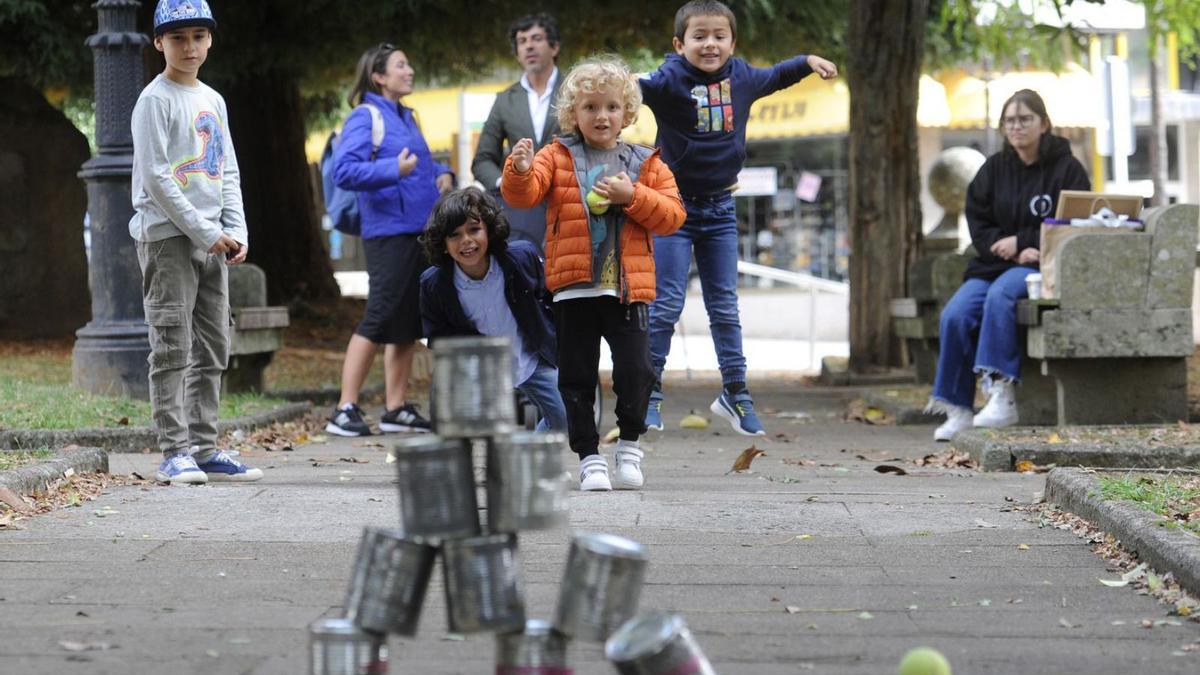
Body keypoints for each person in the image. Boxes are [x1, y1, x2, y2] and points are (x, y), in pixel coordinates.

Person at [638, 0, 838, 437]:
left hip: (722, 208)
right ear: (679, 43)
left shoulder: (743, 77)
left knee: (725, 307)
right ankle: (646, 393)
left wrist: (808, 61)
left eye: (719, 36)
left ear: (732, 42)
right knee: (667, 303)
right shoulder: (669, 80)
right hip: (673, 207)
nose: (709, 44)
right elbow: (631, 86)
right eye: (699, 36)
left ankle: (735, 391)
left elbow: (779, 74)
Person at [502, 55, 686, 492]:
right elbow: (523, 196)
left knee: (637, 372)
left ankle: (629, 447)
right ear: (573, 113)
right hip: (573, 291)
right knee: (576, 377)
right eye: (590, 107)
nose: (601, 115)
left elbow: (673, 216)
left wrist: (632, 195)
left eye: (610, 106)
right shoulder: (557, 155)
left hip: (627, 291)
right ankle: (588, 457)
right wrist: (520, 168)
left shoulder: (645, 162)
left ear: (626, 111)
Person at [131, 0, 261, 484]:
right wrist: (207, 233)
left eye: (199, 36)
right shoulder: (154, 100)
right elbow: (159, 179)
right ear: (159, 43)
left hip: (213, 240)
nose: (190, 47)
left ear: (210, 40)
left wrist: (236, 230)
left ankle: (205, 447)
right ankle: (174, 451)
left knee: (214, 346)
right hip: (168, 239)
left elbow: (226, 170)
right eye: (178, 37)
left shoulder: (214, 99)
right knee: (171, 343)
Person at [927, 89, 1090, 441]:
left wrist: (1028, 242)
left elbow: (1077, 221)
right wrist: (1012, 249)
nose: (1016, 127)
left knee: (1001, 296)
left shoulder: (1068, 169)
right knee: (955, 313)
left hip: (1042, 266)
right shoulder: (994, 169)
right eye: (1009, 121)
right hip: (994, 263)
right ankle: (958, 408)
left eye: (1025, 119)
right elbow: (979, 223)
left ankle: (1001, 391)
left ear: (1044, 124)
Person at [326, 43, 454, 437]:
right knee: (380, 315)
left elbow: (420, 162)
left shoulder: (408, 115)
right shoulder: (366, 116)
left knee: (408, 322)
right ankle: (345, 409)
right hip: (388, 232)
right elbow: (345, 171)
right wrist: (391, 169)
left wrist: (442, 172)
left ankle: (395, 408)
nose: (409, 70)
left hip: (420, 230)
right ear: (379, 76)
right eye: (401, 65)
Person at [419, 187, 567, 433]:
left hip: (528, 360)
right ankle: (479, 468)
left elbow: (549, 298)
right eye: (454, 235)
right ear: (443, 244)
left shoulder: (520, 259)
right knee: (469, 433)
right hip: (476, 372)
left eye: (474, 230)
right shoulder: (434, 283)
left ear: (488, 229)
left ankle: (526, 458)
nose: (466, 240)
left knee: (566, 415)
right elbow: (437, 336)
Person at [471, 13, 563, 253]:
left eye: (536, 38)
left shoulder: (575, 90)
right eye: (522, 41)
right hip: (521, 210)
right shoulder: (505, 100)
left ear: (554, 47)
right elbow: (482, 160)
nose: (529, 46)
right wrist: (508, 184)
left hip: (567, 201)